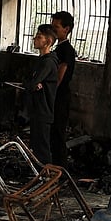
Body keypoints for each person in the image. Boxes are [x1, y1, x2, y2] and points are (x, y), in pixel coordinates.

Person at [23, 24, 59, 165]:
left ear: (48, 42)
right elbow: (28, 81)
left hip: (43, 110)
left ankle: (48, 176)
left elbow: (31, 83)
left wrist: (32, 83)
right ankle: (40, 175)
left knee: (42, 148)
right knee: (36, 146)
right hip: (37, 109)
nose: (35, 39)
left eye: (39, 37)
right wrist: (31, 83)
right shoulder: (41, 61)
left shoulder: (48, 62)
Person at [50, 10, 76, 168]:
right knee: (53, 134)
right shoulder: (58, 49)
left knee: (58, 134)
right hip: (56, 96)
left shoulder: (67, 50)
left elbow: (58, 78)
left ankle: (60, 171)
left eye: (56, 27)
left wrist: (48, 95)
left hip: (60, 97)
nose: (53, 30)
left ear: (66, 29)